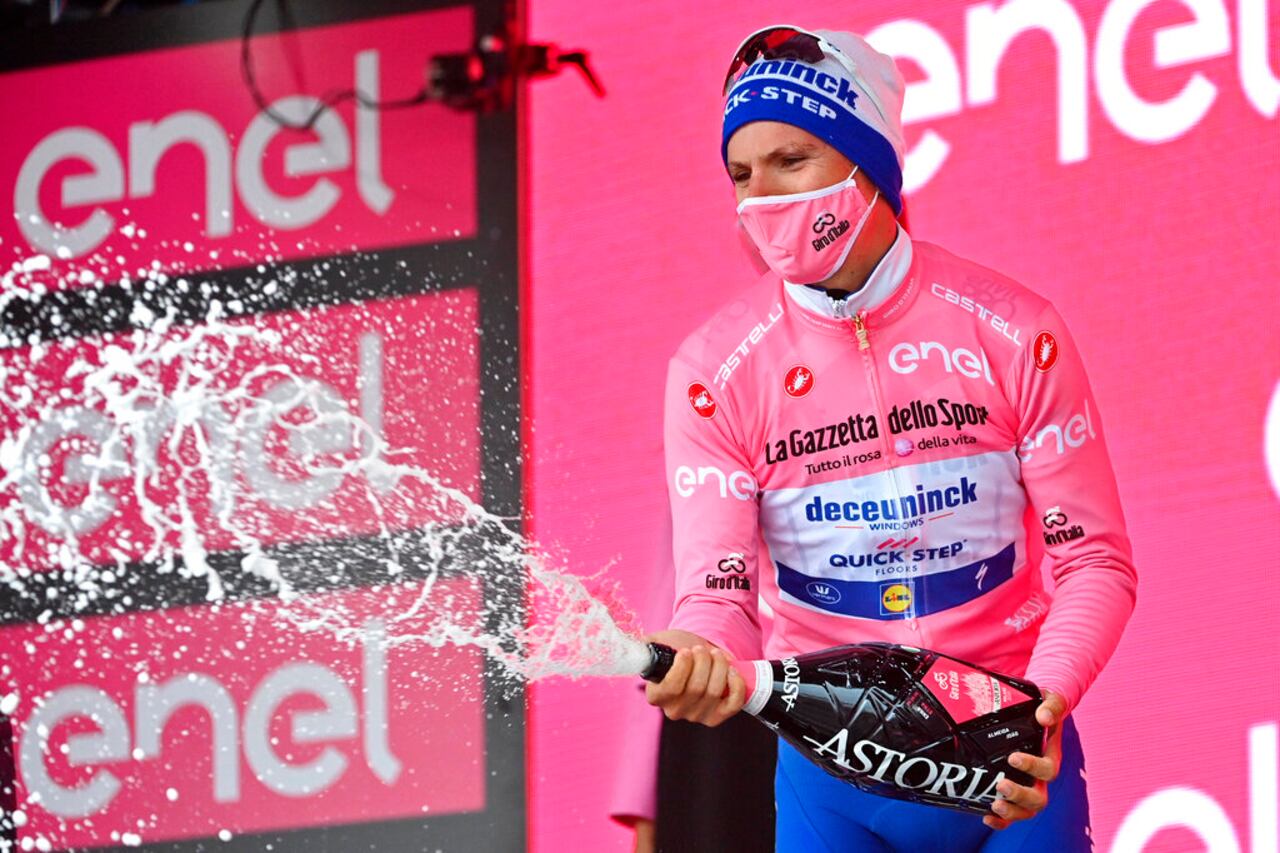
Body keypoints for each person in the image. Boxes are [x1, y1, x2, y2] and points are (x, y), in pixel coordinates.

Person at [645, 25, 1138, 852]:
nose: (759, 197)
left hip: (1010, 760)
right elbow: (720, 599)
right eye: (740, 173)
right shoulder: (713, 372)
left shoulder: (1014, 331)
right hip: (830, 779)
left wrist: (1040, 706)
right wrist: (698, 651)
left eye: (791, 161)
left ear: (866, 162)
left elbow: (1096, 563)